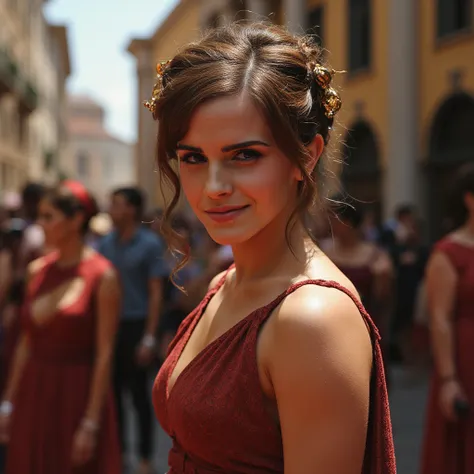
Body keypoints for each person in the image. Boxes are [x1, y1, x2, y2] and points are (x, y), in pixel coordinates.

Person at [148, 22, 395, 473]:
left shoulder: (311, 320)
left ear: (307, 156)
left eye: (245, 155)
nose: (215, 187)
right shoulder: (228, 280)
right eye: (193, 158)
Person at [0, 180, 121, 474]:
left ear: (76, 220)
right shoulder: (36, 270)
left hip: (75, 394)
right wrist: (7, 403)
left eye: (48, 216)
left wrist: (91, 423)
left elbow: (104, 354)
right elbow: (26, 343)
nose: (39, 224)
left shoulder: (103, 276)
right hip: (33, 389)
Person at [99, 187, 168, 474]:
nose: (112, 210)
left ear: (131, 209)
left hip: (137, 325)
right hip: (110, 326)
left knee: (139, 395)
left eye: (117, 204)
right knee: (112, 395)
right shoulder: (105, 244)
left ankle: (144, 456)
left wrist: (149, 337)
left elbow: (155, 293)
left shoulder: (150, 244)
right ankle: (119, 453)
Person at [421, 163, 474, 474]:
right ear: (470, 199)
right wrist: (449, 379)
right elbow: (439, 318)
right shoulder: (447, 252)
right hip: (466, 365)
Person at [324, 203, 393, 383]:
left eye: (334, 220)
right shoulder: (324, 253)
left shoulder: (375, 255)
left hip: (365, 328)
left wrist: (382, 278)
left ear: (347, 223)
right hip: (330, 328)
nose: (329, 224)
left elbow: (382, 297)